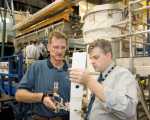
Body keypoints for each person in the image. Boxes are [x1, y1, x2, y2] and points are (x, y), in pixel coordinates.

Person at [69, 39, 138, 120]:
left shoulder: (123, 75)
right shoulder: (102, 76)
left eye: (96, 57)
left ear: (108, 55)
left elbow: (128, 111)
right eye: (91, 58)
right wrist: (86, 103)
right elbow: (103, 108)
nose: (92, 61)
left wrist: (89, 81)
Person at [15, 31, 70, 120]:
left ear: (66, 48)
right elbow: (19, 95)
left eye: (63, 47)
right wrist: (42, 97)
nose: (59, 51)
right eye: (55, 47)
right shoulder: (37, 67)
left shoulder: (72, 71)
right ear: (48, 47)